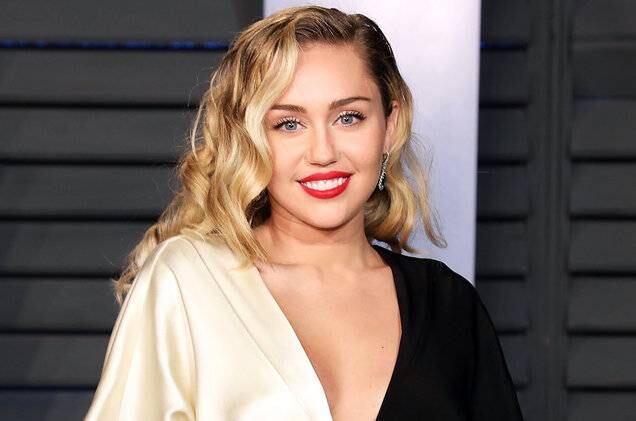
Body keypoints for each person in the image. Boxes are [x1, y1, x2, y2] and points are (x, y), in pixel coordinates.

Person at [84, 5, 524, 421]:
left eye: (348, 117)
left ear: (389, 127)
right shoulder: (187, 282)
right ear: (249, 140)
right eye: (289, 124)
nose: (323, 152)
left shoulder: (450, 307)